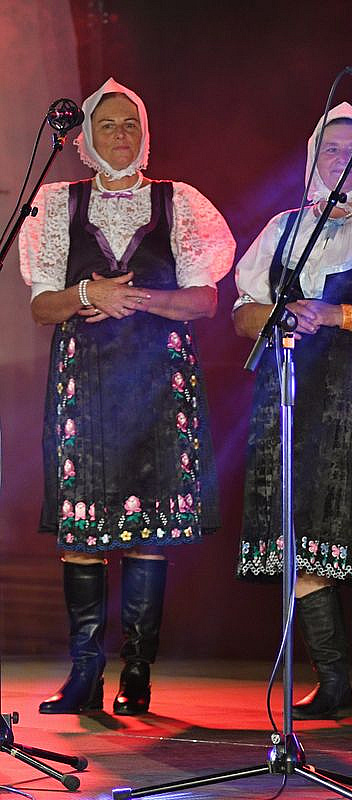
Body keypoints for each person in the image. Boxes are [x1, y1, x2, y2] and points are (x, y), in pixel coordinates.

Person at [18, 78, 234, 716]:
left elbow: (205, 301)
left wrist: (135, 299)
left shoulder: (179, 201)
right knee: (81, 529)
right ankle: (85, 672)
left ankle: (137, 670)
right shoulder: (57, 204)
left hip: (157, 381)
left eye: (130, 124)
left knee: (147, 530)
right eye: (107, 124)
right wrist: (89, 295)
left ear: (145, 133)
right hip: (84, 379)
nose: (120, 134)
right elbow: (42, 307)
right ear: (85, 137)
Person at [232, 103, 352, 722]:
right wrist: (279, 315)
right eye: (331, 150)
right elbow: (242, 313)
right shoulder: (284, 227)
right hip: (291, 398)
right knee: (302, 537)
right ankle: (333, 683)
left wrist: (336, 314)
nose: (341, 160)